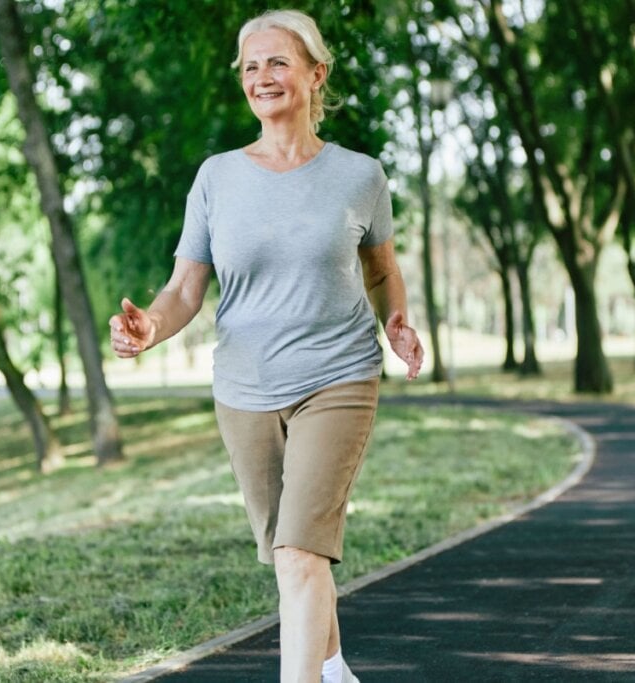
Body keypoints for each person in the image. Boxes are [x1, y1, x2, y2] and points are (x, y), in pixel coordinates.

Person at [109, 9, 423, 682]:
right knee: (289, 551)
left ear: (316, 73)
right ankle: (335, 669)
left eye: (278, 62)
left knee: (300, 555)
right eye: (251, 67)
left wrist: (396, 318)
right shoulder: (216, 178)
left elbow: (381, 268)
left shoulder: (360, 175)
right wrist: (151, 327)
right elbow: (185, 289)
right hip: (244, 390)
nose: (263, 77)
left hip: (338, 376)